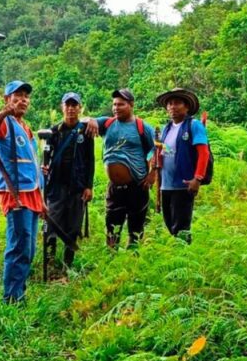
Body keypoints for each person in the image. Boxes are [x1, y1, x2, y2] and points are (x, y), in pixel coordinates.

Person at [0, 80, 46, 303]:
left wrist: (42, 198)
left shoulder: (25, 127)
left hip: (32, 193)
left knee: (28, 248)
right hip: (15, 193)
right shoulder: (5, 123)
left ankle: (20, 292)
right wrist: (1, 113)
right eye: (17, 95)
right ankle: (11, 298)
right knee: (19, 246)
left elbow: (32, 164)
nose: (23, 100)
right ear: (8, 99)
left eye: (26, 96)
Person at [92, 88, 156, 249]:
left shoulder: (143, 127)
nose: (116, 108)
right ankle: (112, 261)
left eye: (121, 104)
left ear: (131, 105)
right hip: (115, 189)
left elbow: (158, 148)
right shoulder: (107, 123)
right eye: (114, 104)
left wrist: (153, 172)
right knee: (112, 228)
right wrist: (90, 120)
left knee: (135, 229)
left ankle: (132, 263)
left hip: (137, 186)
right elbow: (86, 121)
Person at [41, 92, 95, 271]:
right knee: (52, 224)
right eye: (68, 105)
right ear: (62, 107)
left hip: (77, 187)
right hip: (56, 186)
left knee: (73, 226)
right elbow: (46, 158)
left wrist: (89, 186)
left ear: (80, 108)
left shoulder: (85, 132)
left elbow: (90, 160)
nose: (71, 109)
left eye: (74, 105)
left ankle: (67, 266)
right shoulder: (53, 131)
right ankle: (49, 263)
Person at [154, 88, 210, 244]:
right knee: (169, 223)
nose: (173, 107)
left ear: (186, 107)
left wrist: (197, 178)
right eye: (170, 104)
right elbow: (166, 152)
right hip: (166, 185)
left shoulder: (194, 125)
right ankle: (178, 256)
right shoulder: (166, 128)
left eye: (177, 103)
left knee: (181, 227)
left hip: (184, 185)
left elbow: (203, 153)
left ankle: (184, 259)